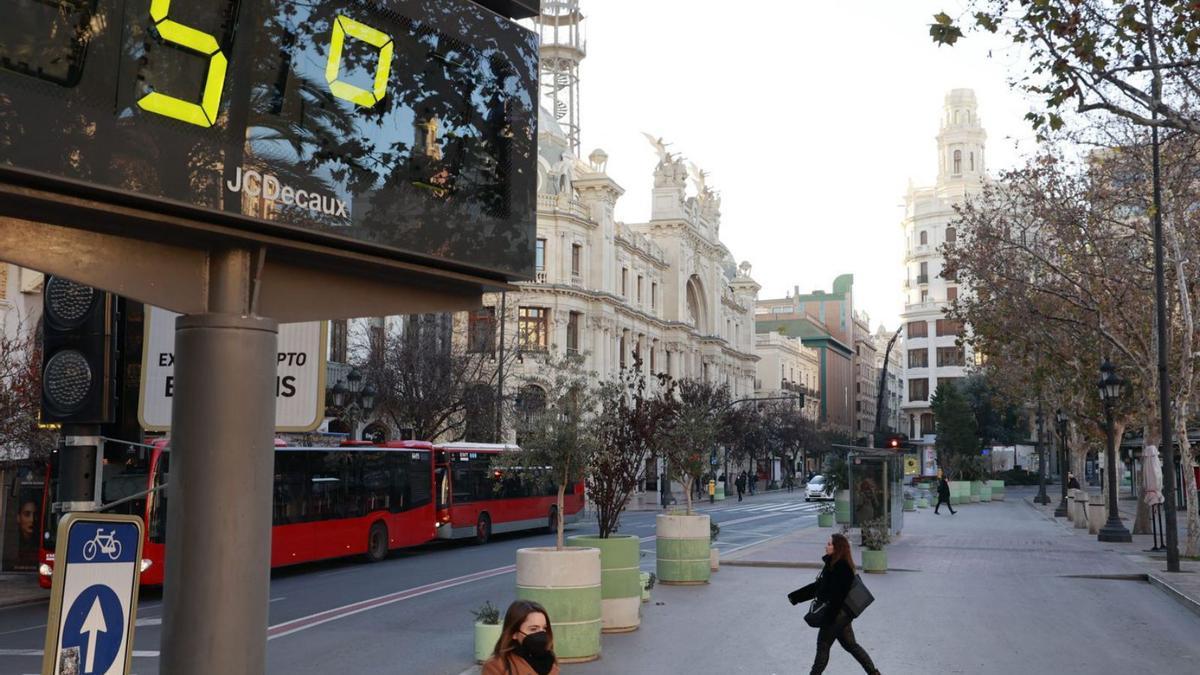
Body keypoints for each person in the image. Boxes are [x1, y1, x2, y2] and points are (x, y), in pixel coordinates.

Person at [788, 533, 881, 675]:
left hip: (836, 615)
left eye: (830, 544)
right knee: (851, 645)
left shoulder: (842, 568)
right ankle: (874, 673)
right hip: (842, 615)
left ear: (838, 548)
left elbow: (838, 598)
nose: (826, 546)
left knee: (823, 648)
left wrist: (828, 620)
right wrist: (795, 597)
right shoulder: (832, 564)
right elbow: (818, 587)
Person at [482, 600, 560, 675]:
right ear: (514, 633)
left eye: (544, 628)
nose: (540, 634)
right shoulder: (497, 665)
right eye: (533, 629)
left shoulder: (550, 660)